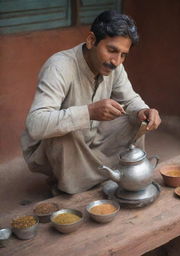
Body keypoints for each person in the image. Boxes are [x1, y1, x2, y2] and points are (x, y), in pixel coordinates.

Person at [21, 10, 161, 195]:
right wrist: (88, 112)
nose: (116, 61)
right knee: (64, 134)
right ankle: (70, 187)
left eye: (123, 55)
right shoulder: (59, 67)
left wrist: (144, 111)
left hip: (91, 138)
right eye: (111, 50)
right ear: (91, 40)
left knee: (135, 119)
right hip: (54, 148)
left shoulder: (115, 67)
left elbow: (131, 99)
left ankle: (121, 176)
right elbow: (36, 125)